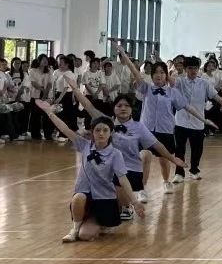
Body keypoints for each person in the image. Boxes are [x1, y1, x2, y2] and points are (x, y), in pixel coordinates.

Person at [66, 76, 183, 215]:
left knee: (142, 157)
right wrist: (75, 89)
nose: (123, 108)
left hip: (129, 172)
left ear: (131, 109)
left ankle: (131, 200)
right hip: (109, 169)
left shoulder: (139, 127)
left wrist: (172, 158)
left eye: (127, 106)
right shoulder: (106, 123)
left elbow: (156, 144)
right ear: (114, 108)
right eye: (119, 106)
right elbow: (88, 106)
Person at [35, 100, 145, 242]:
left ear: (111, 132)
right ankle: (74, 229)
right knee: (78, 197)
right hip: (85, 194)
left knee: (86, 235)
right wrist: (49, 112)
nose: (101, 133)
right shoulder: (84, 145)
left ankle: (97, 224)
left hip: (104, 199)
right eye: (97, 130)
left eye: (105, 130)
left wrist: (135, 202)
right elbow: (65, 129)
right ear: (92, 132)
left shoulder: (115, 154)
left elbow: (123, 179)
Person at [118, 46, 212, 195]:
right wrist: (123, 54)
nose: (159, 75)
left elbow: (188, 107)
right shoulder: (146, 88)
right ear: (152, 75)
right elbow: (134, 72)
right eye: (156, 72)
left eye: (162, 72)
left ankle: (166, 181)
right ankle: (141, 189)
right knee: (145, 156)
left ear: (166, 75)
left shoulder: (173, 92)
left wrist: (204, 120)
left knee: (164, 160)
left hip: (165, 130)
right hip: (146, 130)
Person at [171, 56, 222, 182]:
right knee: (179, 149)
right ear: (185, 69)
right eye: (190, 68)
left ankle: (194, 170)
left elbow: (216, 96)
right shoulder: (180, 82)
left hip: (198, 122)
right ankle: (179, 173)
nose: (193, 71)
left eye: (195, 68)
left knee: (197, 149)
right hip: (181, 121)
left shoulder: (204, 83)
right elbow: (170, 83)